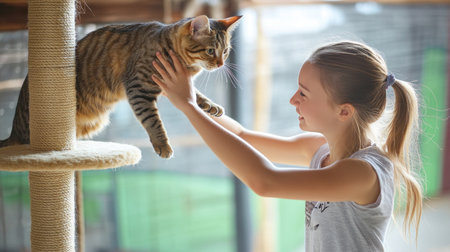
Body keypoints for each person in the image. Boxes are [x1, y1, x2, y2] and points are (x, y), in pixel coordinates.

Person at [151, 40, 423, 251]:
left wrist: (186, 106)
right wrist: (192, 98)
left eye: (303, 93)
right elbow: (243, 137)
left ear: (344, 112)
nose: (293, 100)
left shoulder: (363, 173)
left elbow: (265, 182)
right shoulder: (319, 150)